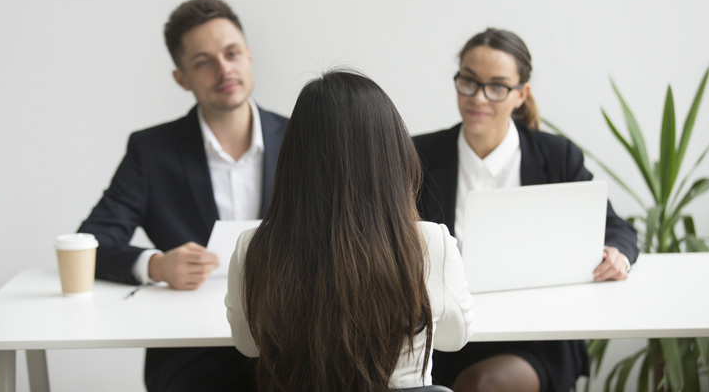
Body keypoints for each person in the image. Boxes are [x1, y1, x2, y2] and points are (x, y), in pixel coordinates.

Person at [78, 0, 288, 391]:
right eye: (203, 62)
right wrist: (155, 266)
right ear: (181, 78)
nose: (224, 69)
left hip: (292, 340)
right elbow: (92, 241)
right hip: (191, 351)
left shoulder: (301, 137)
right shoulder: (151, 151)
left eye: (232, 53)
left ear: (249, 56)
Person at [413, 28, 639, 392]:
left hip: (538, 334)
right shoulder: (420, 155)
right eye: (468, 82)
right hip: (447, 333)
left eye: (497, 87)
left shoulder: (556, 156)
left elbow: (616, 228)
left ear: (521, 94)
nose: (479, 98)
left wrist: (618, 255)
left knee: (480, 385)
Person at [225, 70, 475, 392]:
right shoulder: (429, 244)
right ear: (392, 155)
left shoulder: (254, 247)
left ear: (293, 159)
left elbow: (249, 344)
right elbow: (456, 338)